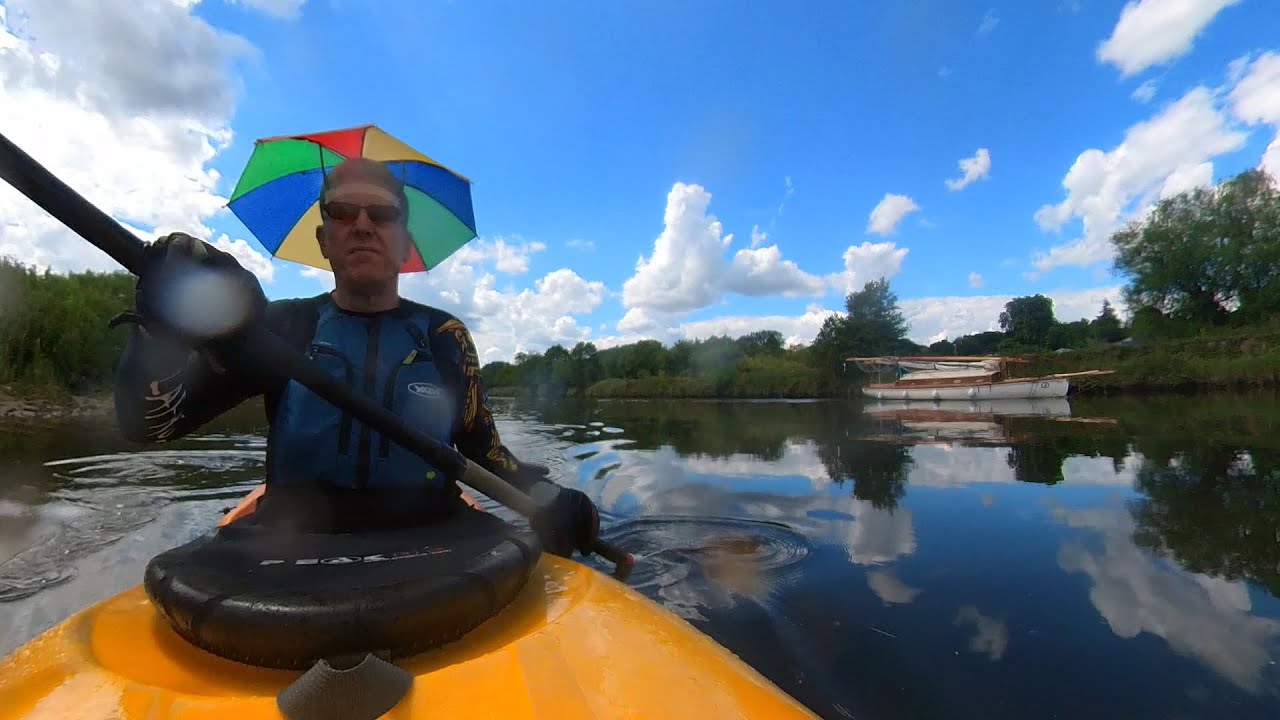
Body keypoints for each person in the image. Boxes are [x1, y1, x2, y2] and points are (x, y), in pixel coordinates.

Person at [110, 156, 600, 557]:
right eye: (342, 212)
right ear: (324, 240)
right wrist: (158, 333)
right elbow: (150, 426)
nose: (362, 225)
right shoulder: (279, 327)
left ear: (404, 244)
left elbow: (486, 454)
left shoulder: (444, 335)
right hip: (291, 545)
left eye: (383, 214)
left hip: (433, 540)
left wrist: (551, 498)